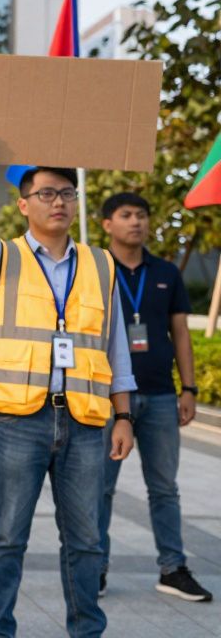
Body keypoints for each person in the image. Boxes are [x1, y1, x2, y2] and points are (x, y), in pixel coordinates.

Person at [0, 129, 136, 638]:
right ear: (24, 204)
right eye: (46, 194)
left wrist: (124, 415)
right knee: (7, 536)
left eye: (67, 193)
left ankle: (86, 630)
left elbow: (115, 349)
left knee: (87, 540)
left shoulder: (100, 263)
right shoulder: (0, 258)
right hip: (20, 421)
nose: (59, 202)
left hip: (87, 422)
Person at [97, 192, 211, 602]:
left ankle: (173, 568)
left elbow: (180, 333)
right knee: (100, 488)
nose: (136, 222)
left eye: (141, 215)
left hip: (162, 395)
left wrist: (190, 388)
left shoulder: (165, 272)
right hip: (110, 397)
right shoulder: (94, 270)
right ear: (107, 223)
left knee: (165, 488)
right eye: (125, 214)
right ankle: (96, 568)